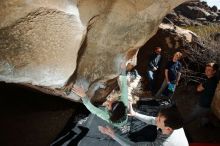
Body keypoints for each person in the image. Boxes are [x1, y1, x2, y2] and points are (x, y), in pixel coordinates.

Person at [99, 102, 189, 146]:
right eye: (158, 116)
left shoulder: (161, 144)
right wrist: (135, 114)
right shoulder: (175, 124)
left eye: (159, 119)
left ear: (168, 129)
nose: (155, 119)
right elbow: (151, 120)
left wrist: (112, 135)